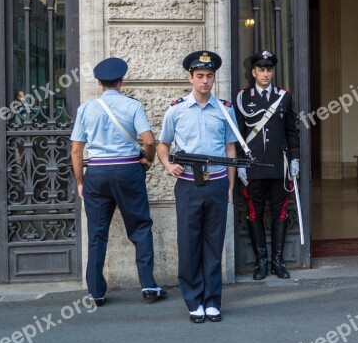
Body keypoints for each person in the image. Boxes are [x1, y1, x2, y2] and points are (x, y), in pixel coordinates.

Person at [70, 57, 166, 307]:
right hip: (127, 171)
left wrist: (80, 181)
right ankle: (148, 285)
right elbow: (149, 140)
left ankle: (95, 293)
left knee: (97, 234)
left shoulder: (85, 109)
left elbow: (77, 151)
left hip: (97, 175)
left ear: (99, 82)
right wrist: (148, 159)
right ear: (121, 81)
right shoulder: (132, 106)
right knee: (140, 228)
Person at [157, 51, 237, 323]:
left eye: (210, 76)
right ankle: (194, 301)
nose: (205, 81)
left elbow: (230, 148)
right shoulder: (176, 109)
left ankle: (213, 300)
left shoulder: (225, 110)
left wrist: (230, 185)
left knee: (214, 245)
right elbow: (163, 144)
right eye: (200, 76)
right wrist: (168, 166)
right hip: (189, 185)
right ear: (190, 77)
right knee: (189, 245)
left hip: (216, 183)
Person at [234, 50, 300, 280]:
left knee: (280, 212)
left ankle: (278, 261)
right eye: (261, 69)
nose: (265, 73)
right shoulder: (243, 97)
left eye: (269, 69)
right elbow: (239, 133)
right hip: (253, 166)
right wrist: (240, 163)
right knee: (255, 212)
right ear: (253, 72)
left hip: (279, 165)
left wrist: (294, 159)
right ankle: (261, 261)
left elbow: (292, 130)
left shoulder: (284, 96)